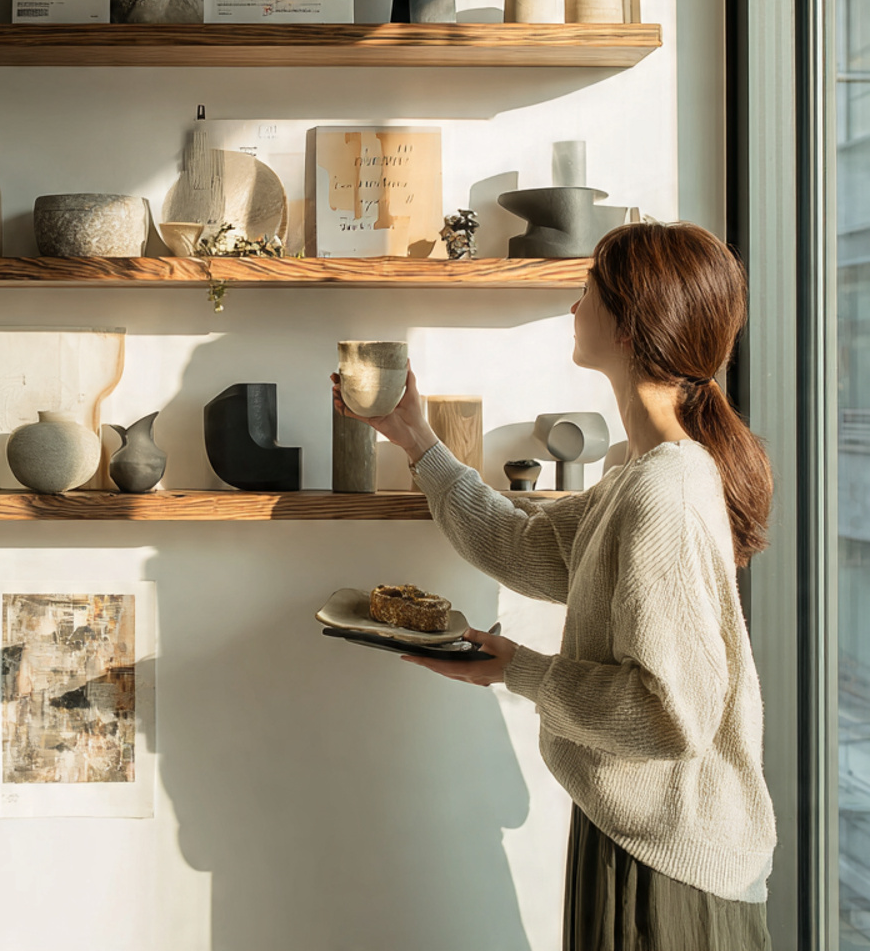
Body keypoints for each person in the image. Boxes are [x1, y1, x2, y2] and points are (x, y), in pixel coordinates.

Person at [332, 221, 776, 950]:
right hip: (642, 838)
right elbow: (528, 550)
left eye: (589, 292)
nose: (575, 308)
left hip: (671, 870)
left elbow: (671, 716)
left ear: (632, 327)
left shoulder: (664, 492)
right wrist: (415, 438)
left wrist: (521, 670)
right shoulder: (638, 475)